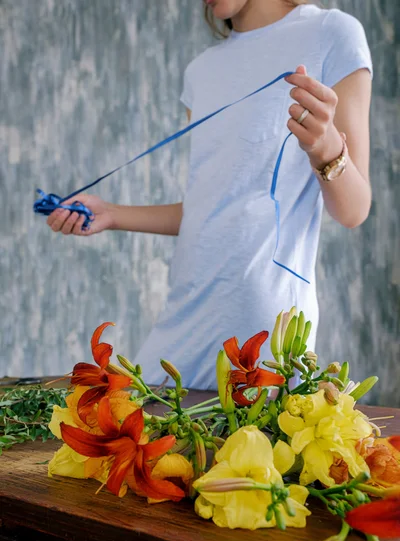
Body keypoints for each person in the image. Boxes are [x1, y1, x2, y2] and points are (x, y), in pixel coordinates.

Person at [46, 0, 373, 390]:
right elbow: (209, 207)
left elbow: (354, 209)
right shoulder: (201, 71)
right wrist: (113, 214)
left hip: (261, 328)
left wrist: (326, 146)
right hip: (185, 311)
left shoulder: (332, 33)